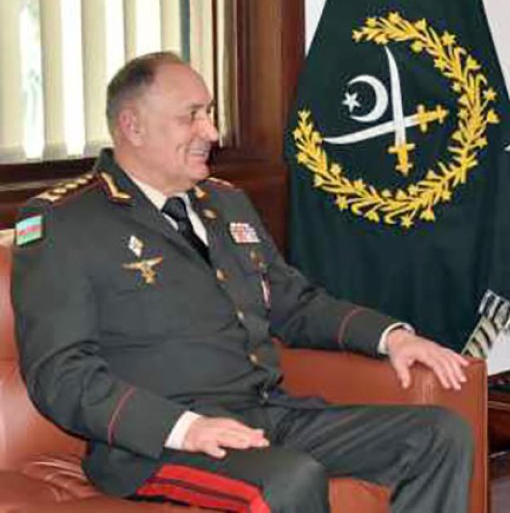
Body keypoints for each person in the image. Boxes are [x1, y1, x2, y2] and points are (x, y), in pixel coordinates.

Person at [11, 52, 474, 513]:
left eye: (209, 113)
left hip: (266, 415)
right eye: (191, 116)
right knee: (290, 479)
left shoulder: (225, 203)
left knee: (439, 435)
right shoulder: (67, 222)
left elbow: (293, 304)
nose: (211, 132)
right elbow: (60, 374)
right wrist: (185, 428)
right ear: (133, 127)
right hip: (156, 445)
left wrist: (390, 337)